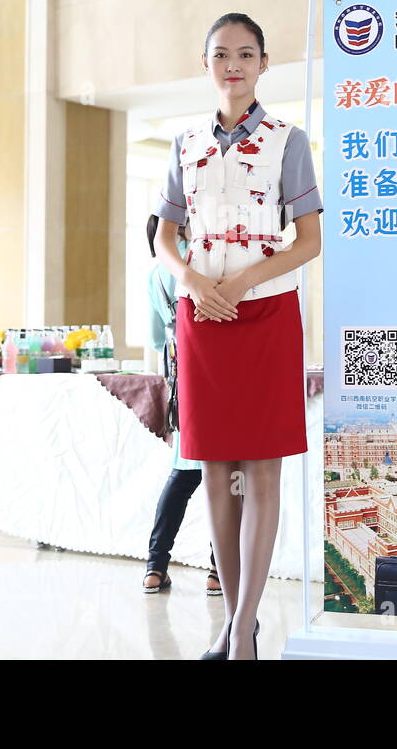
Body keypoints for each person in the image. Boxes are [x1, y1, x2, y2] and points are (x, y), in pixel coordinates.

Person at [153, 12, 323, 659]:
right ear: (206, 65)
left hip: (265, 316)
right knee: (216, 466)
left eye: (246, 54)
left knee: (261, 471)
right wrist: (191, 281)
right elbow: (164, 237)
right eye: (221, 54)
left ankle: (243, 628)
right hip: (202, 318)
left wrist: (245, 280)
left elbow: (309, 241)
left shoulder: (289, 140)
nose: (233, 65)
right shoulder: (185, 143)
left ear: (263, 64)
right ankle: (234, 626)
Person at [143, 215, 220, 596]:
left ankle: (155, 567)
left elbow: (157, 338)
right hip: (219, 371)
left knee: (183, 473)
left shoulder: (157, 273)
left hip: (184, 380)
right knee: (227, 478)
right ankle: (217, 571)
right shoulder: (209, 259)